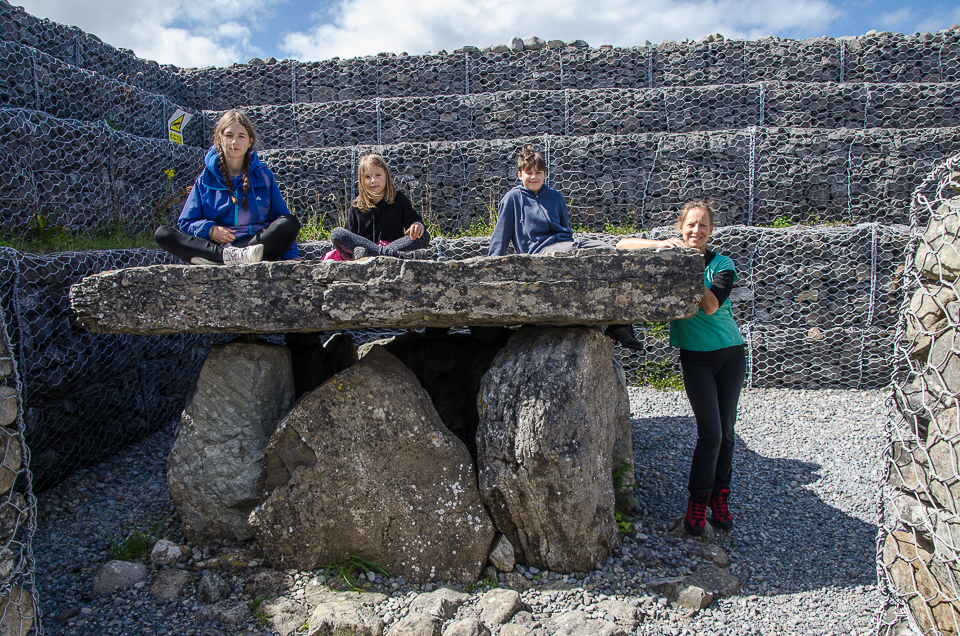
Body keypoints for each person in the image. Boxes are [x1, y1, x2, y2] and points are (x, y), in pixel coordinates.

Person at [617, 200, 746, 535]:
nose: (696, 231)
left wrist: (689, 267)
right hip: (696, 358)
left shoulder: (722, 264)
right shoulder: (670, 251)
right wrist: (661, 247)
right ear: (681, 227)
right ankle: (696, 504)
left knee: (727, 434)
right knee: (710, 434)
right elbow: (621, 246)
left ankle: (720, 498)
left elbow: (711, 304)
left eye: (703, 225)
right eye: (691, 225)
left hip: (730, 355)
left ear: (711, 230)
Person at [487, 144, 643, 350]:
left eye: (538, 173)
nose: (533, 177)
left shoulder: (556, 197)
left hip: (567, 244)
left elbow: (565, 230)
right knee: (573, 254)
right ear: (519, 174)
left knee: (608, 251)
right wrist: (491, 267)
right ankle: (617, 324)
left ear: (545, 174)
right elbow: (501, 235)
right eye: (529, 173)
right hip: (540, 251)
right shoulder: (512, 199)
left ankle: (618, 321)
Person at [155, 110, 300, 265]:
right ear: (219, 139)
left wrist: (290, 256)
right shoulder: (205, 179)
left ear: (250, 141)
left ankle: (218, 259)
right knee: (163, 234)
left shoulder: (263, 176)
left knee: (289, 223)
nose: (234, 142)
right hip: (217, 246)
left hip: (255, 245)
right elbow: (186, 221)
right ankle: (224, 256)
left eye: (241, 136)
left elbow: (281, 218)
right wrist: (210, 230)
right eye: (229, 136)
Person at [328, 154, 431, 260]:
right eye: (368, 177)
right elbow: (349, 239)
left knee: (423, 236)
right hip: (366, 250)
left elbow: (415, 222)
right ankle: (392, 255)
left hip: (387, 248)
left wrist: (417, 225)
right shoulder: (356, 207)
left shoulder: (399, 199)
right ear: (362, 180)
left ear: (386, 176)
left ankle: (380, 254)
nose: (373, 180)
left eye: (378, 175)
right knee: (337, 234)